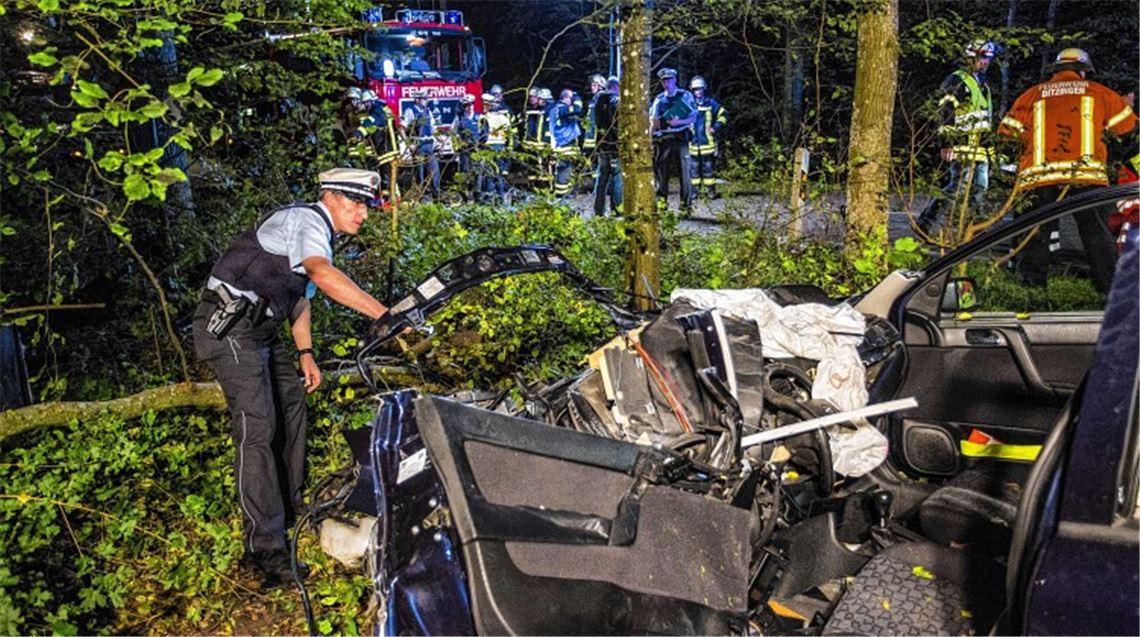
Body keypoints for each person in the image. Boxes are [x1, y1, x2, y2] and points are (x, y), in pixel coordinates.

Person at [192, 168, 390, 587]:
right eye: (355, 204)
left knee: (293, 406)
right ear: (330, 198)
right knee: (257, 426)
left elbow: (300, 297)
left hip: (262, 331)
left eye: (366, 206)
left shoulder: (320, 234)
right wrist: (385, 316)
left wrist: (305, 353)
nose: (362, 214)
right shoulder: (306, 221)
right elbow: (320, 274)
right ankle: (263, 551)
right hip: (227, 328)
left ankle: (290, 506)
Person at [997, 47, 1137, 292]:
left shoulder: (1030, 96)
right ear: (1084, 72)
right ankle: (1109, 288)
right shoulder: (1100, 94)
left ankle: (1031, 288)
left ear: (1055, 70)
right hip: (1086, 176)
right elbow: (1126, 130)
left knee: (1034, 233)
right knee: (1096, 234)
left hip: (1037, 178)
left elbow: (1006, 135)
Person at [916, 40, 999, 235]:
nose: (986, 63)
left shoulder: (983, 85)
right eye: (983, 58)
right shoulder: (956, 80)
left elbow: (984, 118)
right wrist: (947, 143)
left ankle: (972, 228)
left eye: (988, 59)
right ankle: (925, 223)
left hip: (979, 147)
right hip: (961, 145)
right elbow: (946, 111)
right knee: (958, 187)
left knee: (980, 187)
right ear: (970, 58)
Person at [650, 68, 698, 211]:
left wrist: (680, 122)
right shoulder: (659, 99)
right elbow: (654, 120)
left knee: (684, 174)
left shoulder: (685, 95)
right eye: (664, 80)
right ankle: (662, 204)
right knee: (661, 174)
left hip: (680, 138)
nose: (667, 82)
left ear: (675, 80)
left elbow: (694, 116)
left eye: (669, 79)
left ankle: (685, 207)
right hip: (663, 139)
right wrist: (650, 137)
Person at [351, 89, 399, 205]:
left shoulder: (378, 110)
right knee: (385, 175)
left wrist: (360, 132)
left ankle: (390, 201)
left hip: (387, 148)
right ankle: (387, 200)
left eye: (367, 103)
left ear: (372, 101)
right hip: (385, 147)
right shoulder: (381, 108)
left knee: (387, 176)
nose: (366, 106)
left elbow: (371, 122)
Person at [687, 75, 728, 199]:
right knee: (694, 170)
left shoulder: (711, 103)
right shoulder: (689, 104)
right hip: (693, 143)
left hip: (707, 143)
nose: (697, 92)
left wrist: (715, 128)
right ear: (692, 90)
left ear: (704, 88)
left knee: (708, 168)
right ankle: (695, 192)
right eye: (695, 90)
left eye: (699, 89)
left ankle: (710, 191)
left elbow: (724, 115)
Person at [593, 76, 623, 217]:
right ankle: (617, 210)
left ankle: (599, 210)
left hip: (602, 145)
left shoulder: (598, 101)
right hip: (614, 145)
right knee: (617, 177)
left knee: (602, 178)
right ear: (616, 87)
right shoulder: (614, 101)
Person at [402, 91, 440, 200]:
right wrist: (409, 144)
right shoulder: (410, 111)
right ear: (417, 100)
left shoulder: (428, 112)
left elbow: (434, 129)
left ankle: (436, 197)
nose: (426, 100)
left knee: (434, 172)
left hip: (430, 145)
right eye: (424, 98)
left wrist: (438, 142)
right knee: (420, 173)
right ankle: (419, 198)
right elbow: (401, 128)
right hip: (419, 146)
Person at [452, 94, 488, 200]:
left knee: (478, 172)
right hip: (465, 150)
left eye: (471, 104)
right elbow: (454, 133)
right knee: (465, 172)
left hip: (477, 150)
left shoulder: (480, 118)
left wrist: (481, 145)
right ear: (463, 106)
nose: (470, 106)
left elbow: (485, 133)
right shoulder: (459, 118)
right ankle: (465, 195)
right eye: (467, 105)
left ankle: (478, 195)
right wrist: (456, 148)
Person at [549, 88, 583, 197]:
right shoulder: (561, 109)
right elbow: (578, 109)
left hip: (562, 143)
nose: (572, 101)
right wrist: (577, 98)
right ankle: (562, 194)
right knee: (565, 169)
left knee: (568, 169)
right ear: (566, 98)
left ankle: (566, 192)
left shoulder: (556, 108)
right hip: (564, 143)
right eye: (571, 99)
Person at [484, 85, 513, 201]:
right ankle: (500, 197)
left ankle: (490, 198)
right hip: (500, 146)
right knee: (499, 174)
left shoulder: (485, 117)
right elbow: (510, 133)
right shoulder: (504, 117)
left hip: (490, 147)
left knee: (490, 174)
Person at [582, 74, 607, 153]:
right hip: (591, 135)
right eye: (592, 85)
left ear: (601, 86)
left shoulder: (602, 98)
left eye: (594, 85)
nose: (592, 88)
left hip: (598, 136)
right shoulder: (593, 99)